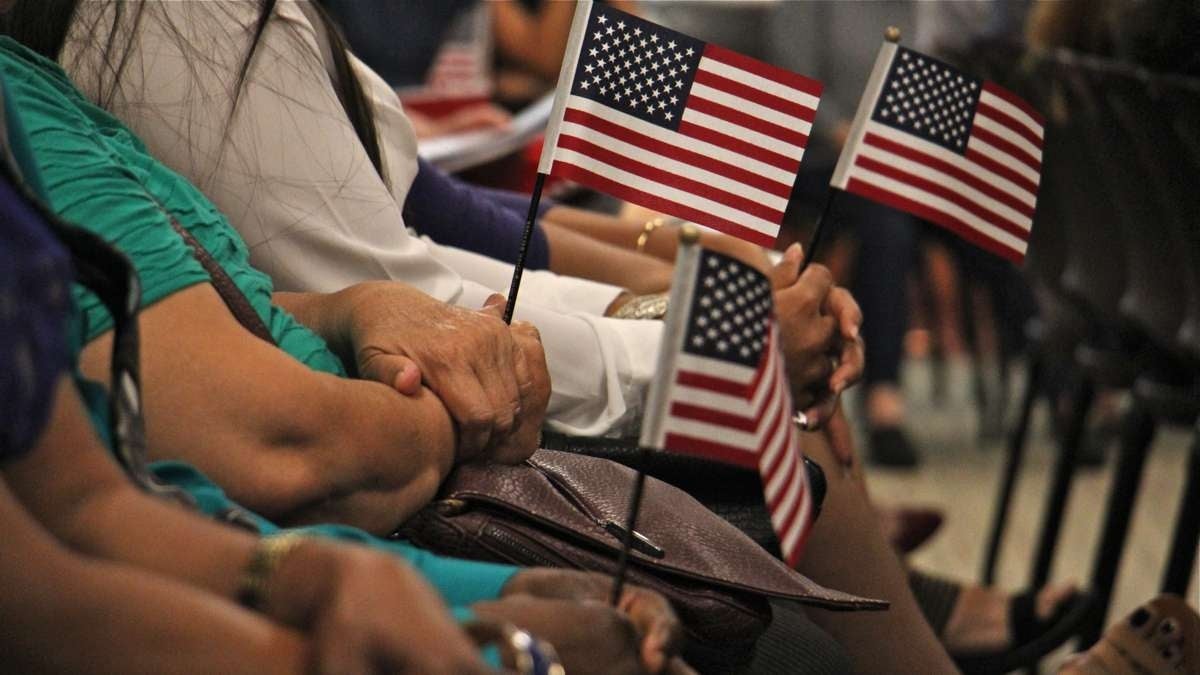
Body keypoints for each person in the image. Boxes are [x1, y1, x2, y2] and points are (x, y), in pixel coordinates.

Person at [0, 63, 692, 675]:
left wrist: (473, 599)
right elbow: (288, 447)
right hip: (373, 514)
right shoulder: (162, 32)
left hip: (347, 546)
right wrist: (484, 639)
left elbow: (97, 502)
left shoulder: (23, 85)